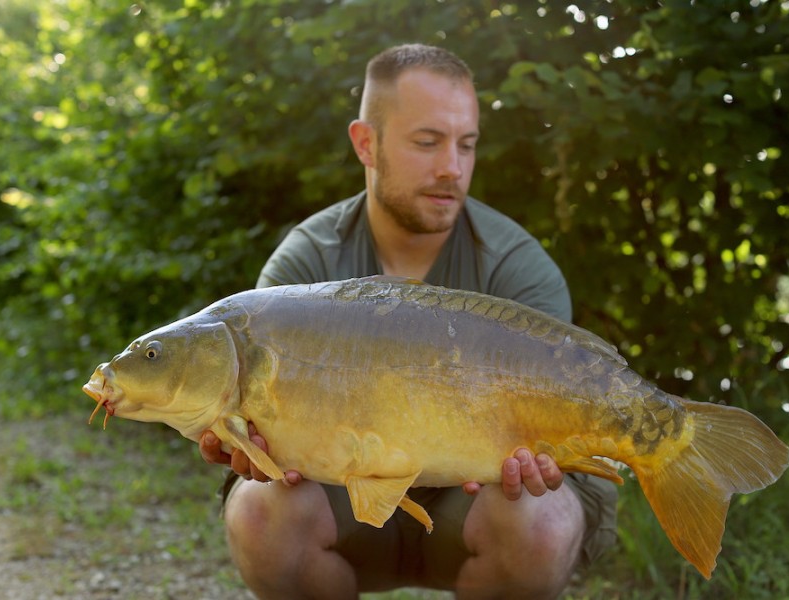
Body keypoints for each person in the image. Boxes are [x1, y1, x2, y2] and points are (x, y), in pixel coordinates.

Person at [199, 44, 617, 599]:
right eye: (427, 142)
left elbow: (553, 431)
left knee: (543, 520)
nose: (452, 167)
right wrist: (244, 441)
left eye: (466, 145)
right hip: (340, 502)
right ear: (366, 143)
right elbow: (252, 429)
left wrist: (543, 456)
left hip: (479, 507)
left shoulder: (517, 268)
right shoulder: (305, 265)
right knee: (258, 513)